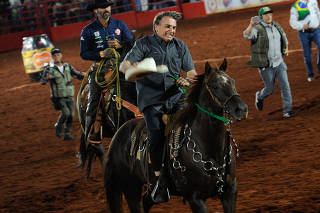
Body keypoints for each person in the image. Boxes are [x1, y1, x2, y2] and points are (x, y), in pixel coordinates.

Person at [119, 11, 198, 203]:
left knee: (194, 123)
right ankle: (158, 180)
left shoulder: (180, 46)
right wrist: (135, 69)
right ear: (156, 27)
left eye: (173, 27)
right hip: (152, 101)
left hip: (176, 97)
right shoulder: (143, 44)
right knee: (156, 133)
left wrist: (186, 80)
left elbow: (192, 73)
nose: (171, 30)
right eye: (167, 26)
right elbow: (123, 66)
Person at [80, 0, 134, 155]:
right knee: (93, 102)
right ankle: (90, 134)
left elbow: (132, 43)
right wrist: (102, 53)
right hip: (100, 70)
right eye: (102, 7)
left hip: (121, 64)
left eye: (107, 6)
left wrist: (120, 45)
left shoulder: (120, 24)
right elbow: (84, 53)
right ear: (95, 11)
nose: (106, 9)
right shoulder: (88, 30)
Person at [243, 6, 293, 118]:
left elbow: (284, 37)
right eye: (266, 14)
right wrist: (251, 25)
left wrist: (286, 47)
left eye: (270, 14)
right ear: (261, 17)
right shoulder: (258, 29)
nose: (269, 16)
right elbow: (246, 35)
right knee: (270, 89)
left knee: (285, 86)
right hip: (266, 65)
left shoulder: (277, 26)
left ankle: (287, 110)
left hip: (279, 62)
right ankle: (259, 96)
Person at [40, 48, 84, 140]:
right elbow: (43, 81)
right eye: (54, 56)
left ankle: (67, 133)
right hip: (58, 96)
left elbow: (77, 75)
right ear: (52, 57)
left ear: (61, 55)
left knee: (71, 115)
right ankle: (58, 126)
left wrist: (84, 75)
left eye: (58, 55)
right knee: (66, 113)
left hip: (69, 94)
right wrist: (47, 78)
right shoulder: (49, 69)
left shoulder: (67, 66)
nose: (57, 57)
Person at [290, 0, 320, 82]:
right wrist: (301, 26)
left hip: (316, 30)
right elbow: (292, 22)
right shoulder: (296, 6)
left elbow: (317, 12)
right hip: (303, 33)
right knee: (307, 55)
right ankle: (311, 75)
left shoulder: (314, 1)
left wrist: (318, 23)